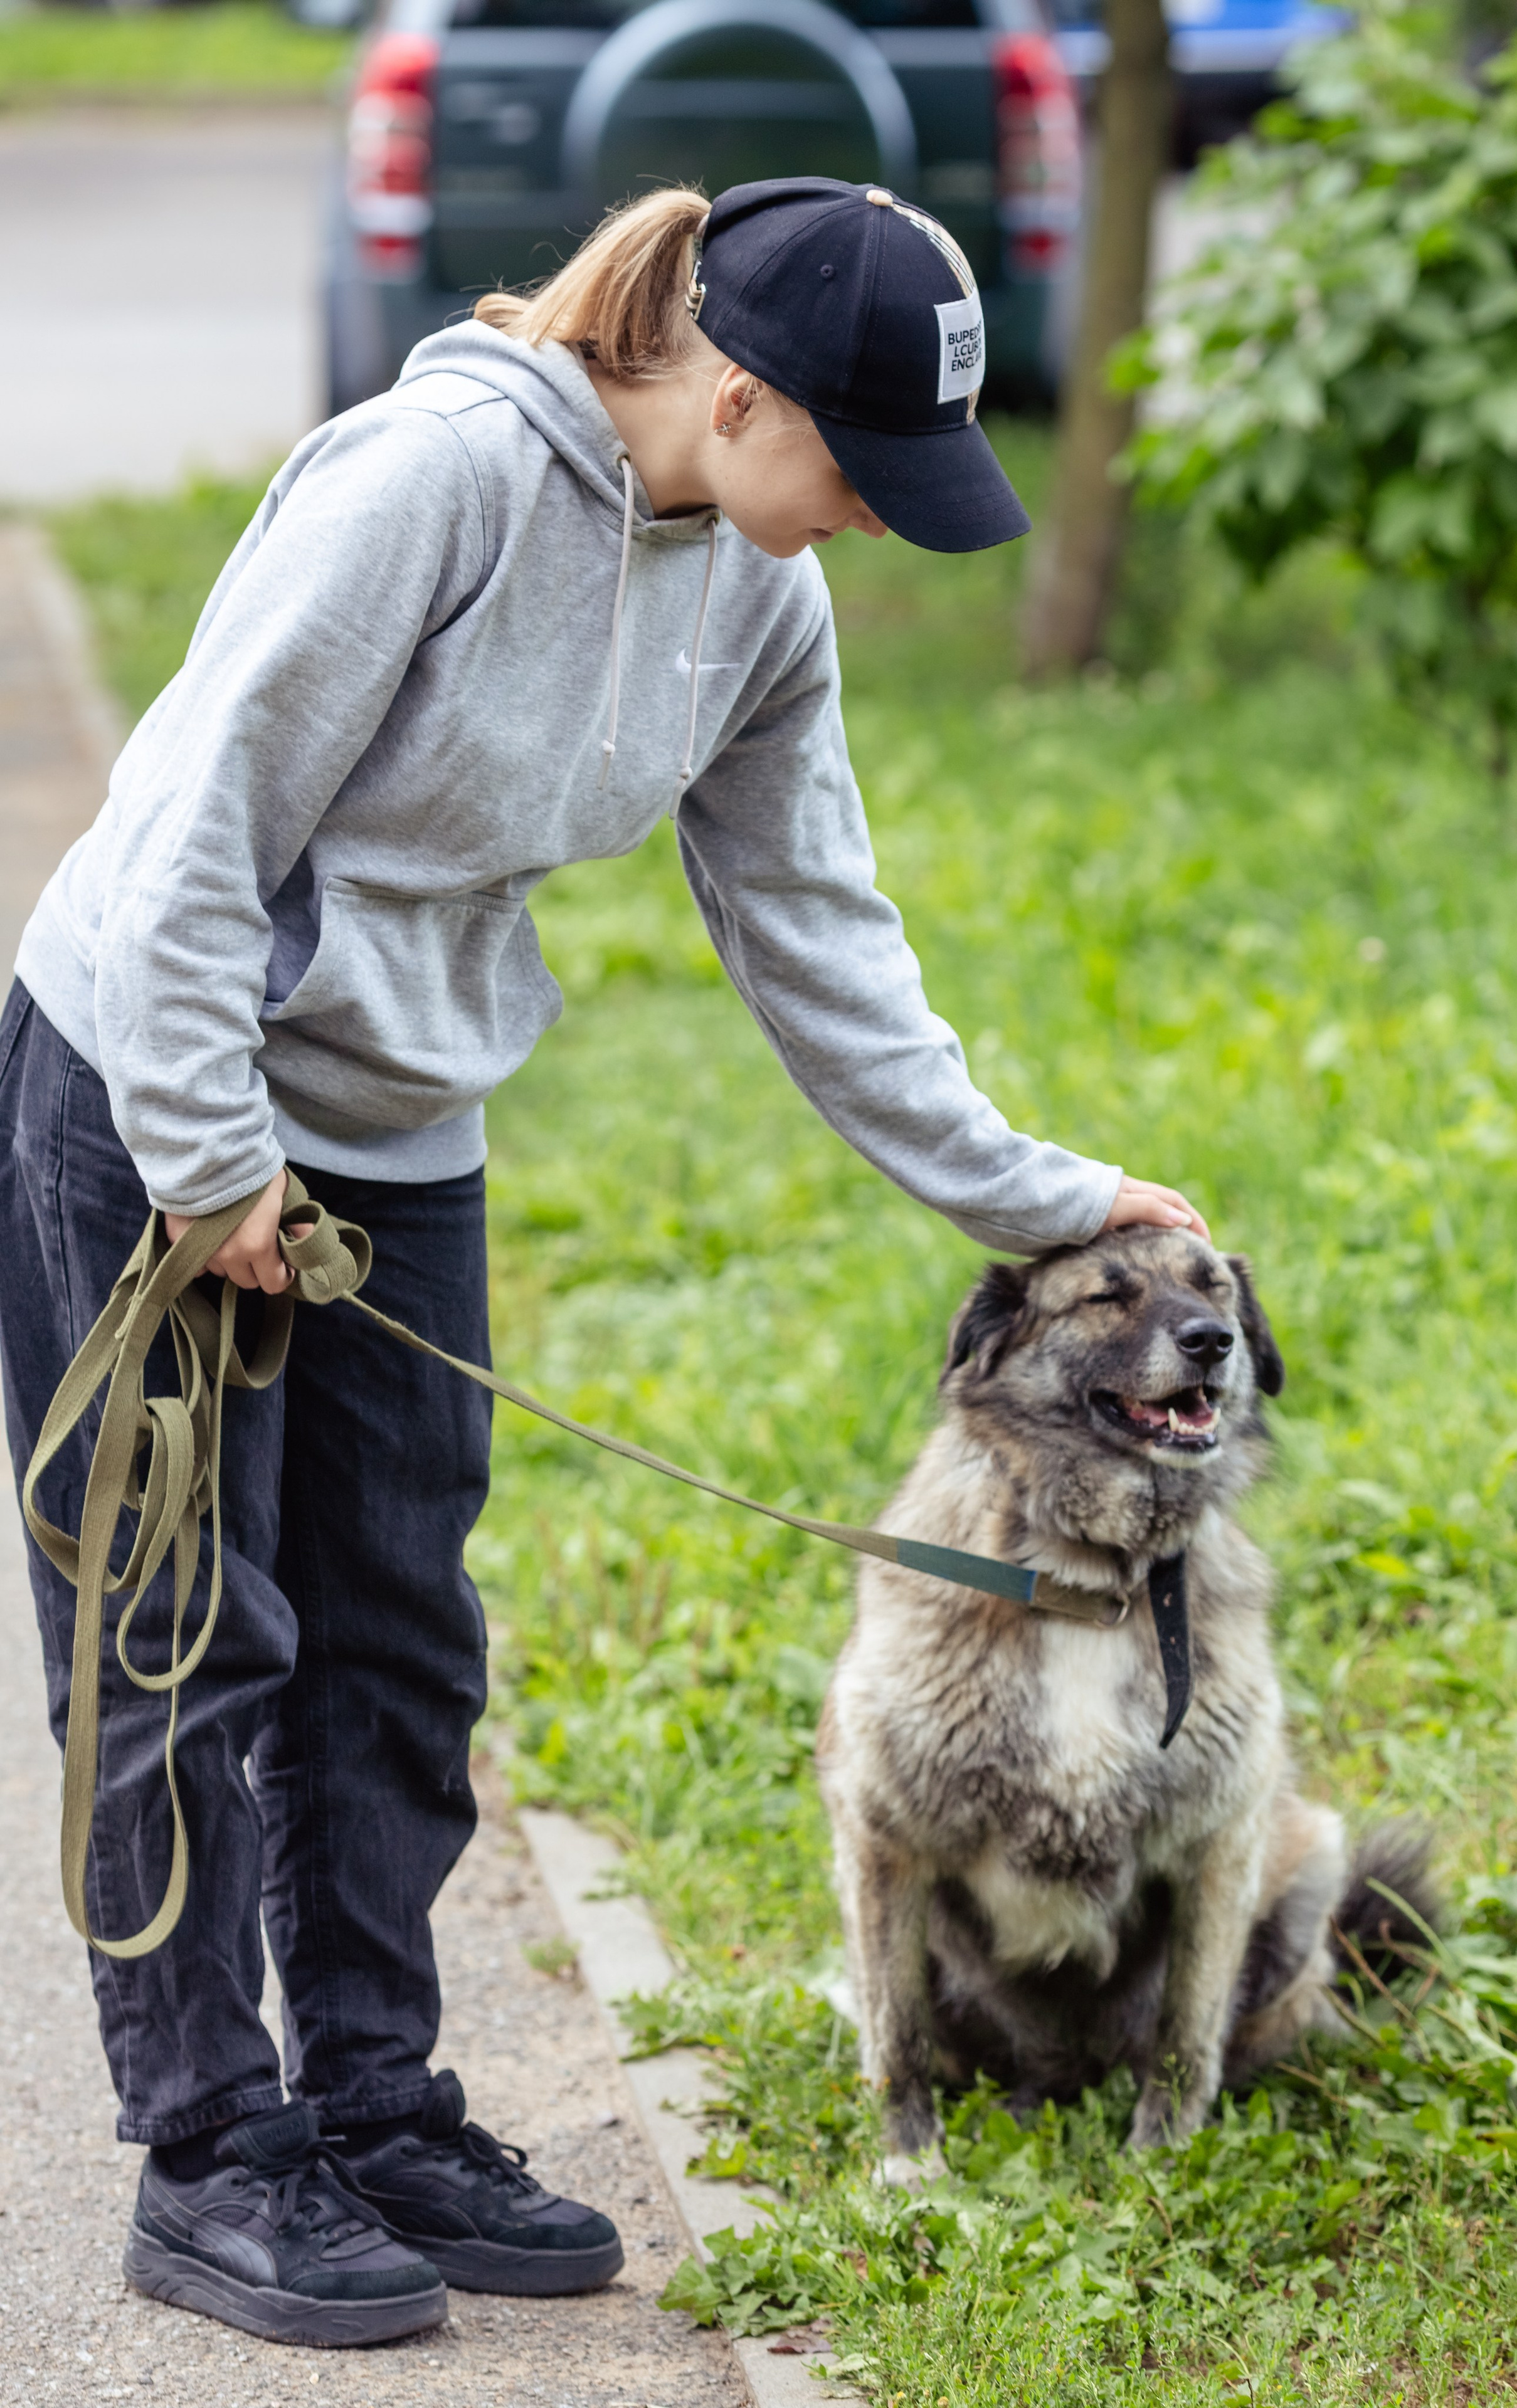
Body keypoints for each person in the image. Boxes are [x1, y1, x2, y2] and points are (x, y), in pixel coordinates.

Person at [0, 176, 1206, 2350]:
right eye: (852, 468)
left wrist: (1041, 1197)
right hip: (149, 1085)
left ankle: (371, 2101)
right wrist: (200, 1151)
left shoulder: (755, 588)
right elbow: (193, 821)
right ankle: (209, 2146)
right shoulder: (435, 483)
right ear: (731, 389)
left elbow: (818, 933)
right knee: (189, 1635)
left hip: (393, 1124)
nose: (858, 522)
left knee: (399, 1639)